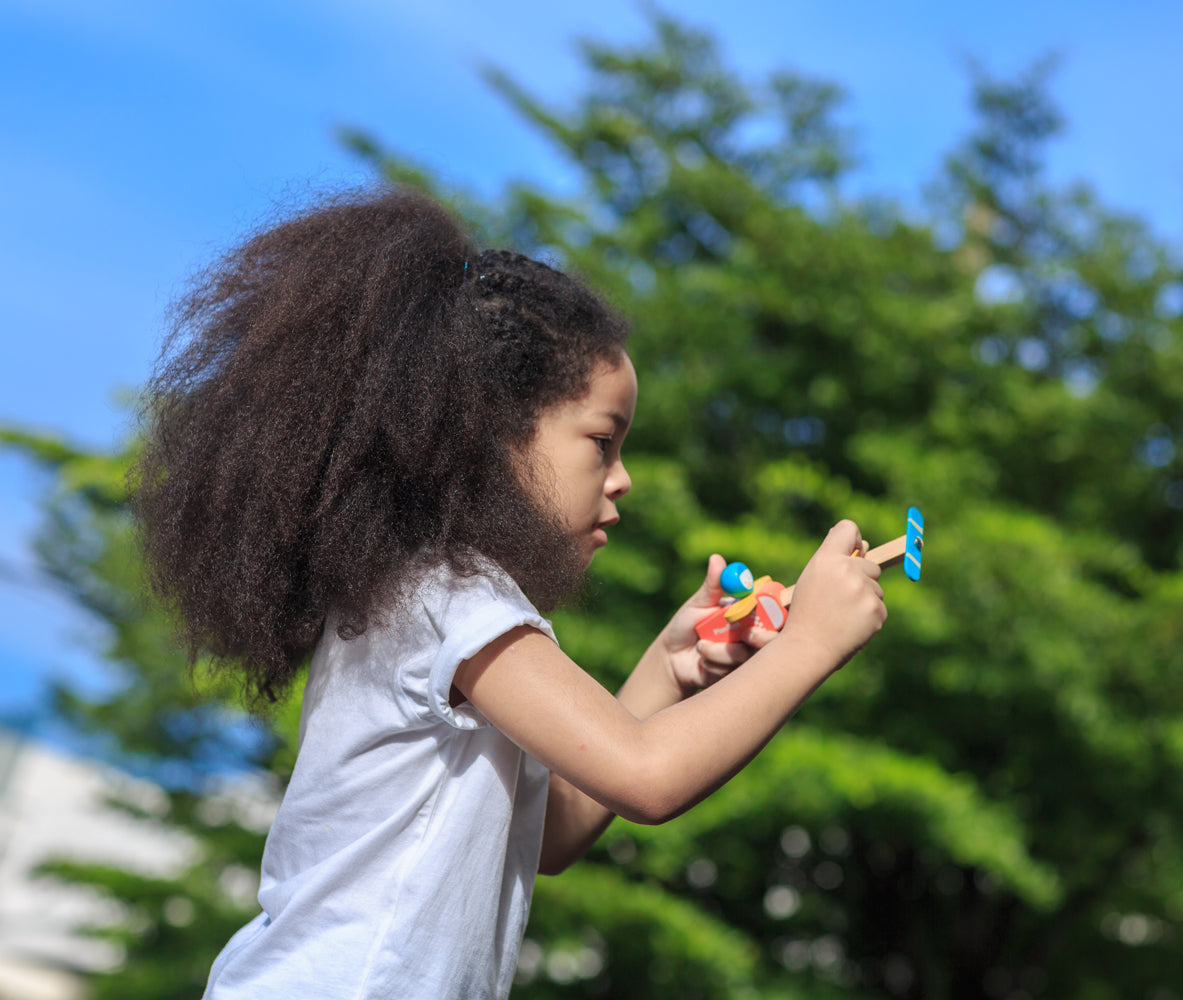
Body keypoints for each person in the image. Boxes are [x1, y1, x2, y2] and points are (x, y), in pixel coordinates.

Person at [133, 185, 887, 999]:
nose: (623, 479)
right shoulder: (450, 599)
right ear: (490, 435)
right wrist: (811, 641)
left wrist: (667, 671)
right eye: (602, 442)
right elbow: (646, 777)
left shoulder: (430, 596)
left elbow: (549, 832)